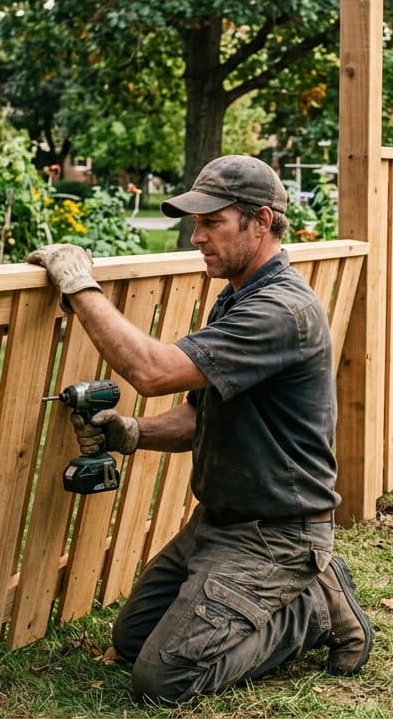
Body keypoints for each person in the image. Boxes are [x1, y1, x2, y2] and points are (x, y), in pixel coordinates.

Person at [27, 154, 373, 705]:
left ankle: (310, 612)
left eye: (212, 222)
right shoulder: (237, 299)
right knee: (131, 639)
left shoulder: (280, 311)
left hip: (277, 534)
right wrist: (128, 432)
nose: (198, 237)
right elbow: (195, 417)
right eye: (197, 223)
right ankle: (299, 589)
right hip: (220, 525)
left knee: (162, 680)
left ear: (261, 221)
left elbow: (152, 371)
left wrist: (78, 284)